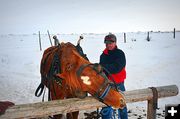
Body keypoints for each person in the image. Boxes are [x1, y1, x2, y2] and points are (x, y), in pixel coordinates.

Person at [99, 33, 128, 119]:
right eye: (107, 43)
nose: (109, 45)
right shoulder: (103, 55)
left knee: (122, 106)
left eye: (111, 43)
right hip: (107, 85)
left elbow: (117, 68)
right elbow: (101, 70)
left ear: (115, 42)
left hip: (119, 84)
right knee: (106, 107)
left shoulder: (120, 54)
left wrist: (104, 67)